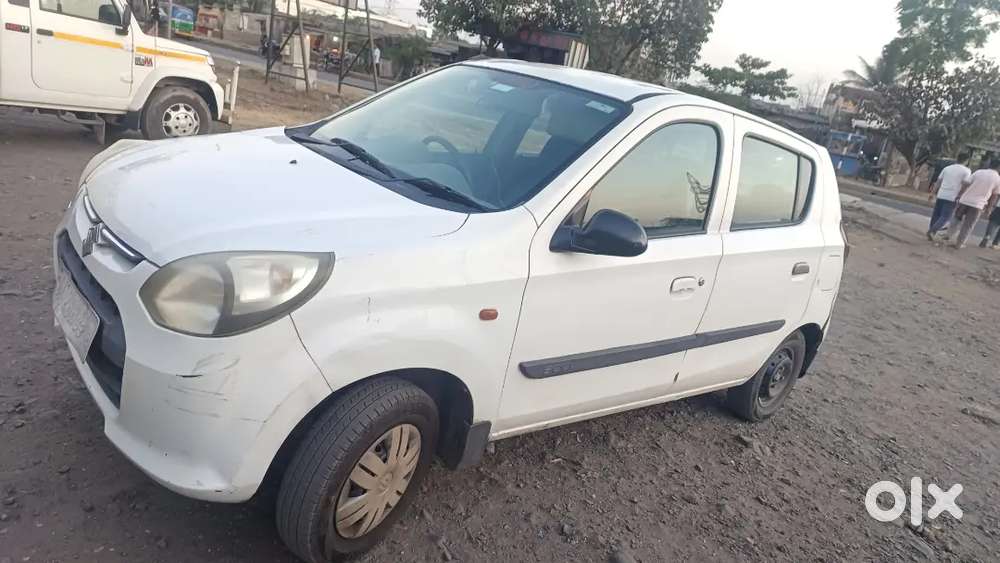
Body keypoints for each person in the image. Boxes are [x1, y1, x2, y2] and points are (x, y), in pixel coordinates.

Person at [946, 158, 1000, 248]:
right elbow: (994, 196)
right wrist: (989, 208)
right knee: (968, 225)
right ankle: (959, 243)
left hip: (965, 200)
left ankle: (948, 235)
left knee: (956, 218)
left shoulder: (979, 172)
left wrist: (959, 195)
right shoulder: (997, 179)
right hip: (978, 205)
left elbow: (966, 184)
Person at [927, 152, 972, 240]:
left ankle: (932, 231)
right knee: (945, 217)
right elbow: (965, 185)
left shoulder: (947, 168)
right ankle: (932, 231)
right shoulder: (966, 171)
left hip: (941, 194)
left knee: (936, 214)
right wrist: (960, 195)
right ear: (966, 161)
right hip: (952, 196)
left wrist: (932, 193)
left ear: (957, 158)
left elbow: (938, 182)